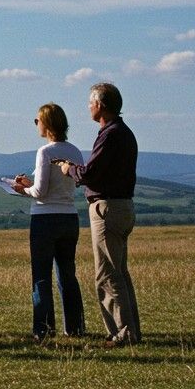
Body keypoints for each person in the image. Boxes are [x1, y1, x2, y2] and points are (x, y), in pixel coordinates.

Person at [59, 82, 140, 347]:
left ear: (100, 105)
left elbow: (89, 173)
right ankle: (130, 330)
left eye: (90, 103)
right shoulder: (123, 132)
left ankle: (123, 333)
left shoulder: (110, 134)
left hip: (107, 209)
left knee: (107, 274)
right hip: (122, 206)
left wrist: (68, 169)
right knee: (119, 272)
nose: (88, 107)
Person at [12, 103, 86, 341]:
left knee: (41, 275)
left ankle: (43, 329)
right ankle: (74, 327)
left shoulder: (45, 152)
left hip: (44, 219)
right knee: (67, 274)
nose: (36, 125)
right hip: (69, 217)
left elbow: (41, 192)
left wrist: (21, 190)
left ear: (47, 123)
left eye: (37, 121)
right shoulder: (75, 151)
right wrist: (29, 182)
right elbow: (69, 183)